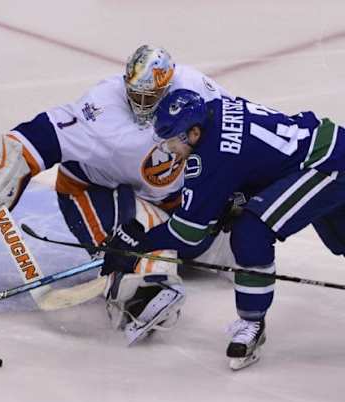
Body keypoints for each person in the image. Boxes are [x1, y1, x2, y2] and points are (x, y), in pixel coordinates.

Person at [0, 45, 234, 344]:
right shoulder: (101, 110)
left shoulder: (198, 90)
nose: (142, 104)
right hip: (94, 191)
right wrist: (5, 164)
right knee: (147, 262)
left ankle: (181, 253)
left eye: (151, 97)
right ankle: (136, 293)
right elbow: (45, 133)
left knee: (237, 240)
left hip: (168, 198)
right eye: (135, 94)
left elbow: (241, 128)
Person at [101, 87, 345, 368]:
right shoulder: (214, 110)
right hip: (328, 149)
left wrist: (138, 245)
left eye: (171, 140)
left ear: (193, 134)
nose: (168, 148)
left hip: (327, 165)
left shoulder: (212, 156)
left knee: (251, 231)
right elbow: (251, 161)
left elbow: (189, 235)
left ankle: (251, 324)